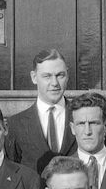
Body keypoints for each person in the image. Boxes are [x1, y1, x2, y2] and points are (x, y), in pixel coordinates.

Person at [5, 48, 76, 176]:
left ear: (67, 76)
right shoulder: (15, 124)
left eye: (60, 75)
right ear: (34, 77)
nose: (54, 83)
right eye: (47, 76)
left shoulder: (82, 118)